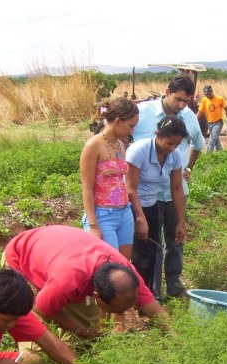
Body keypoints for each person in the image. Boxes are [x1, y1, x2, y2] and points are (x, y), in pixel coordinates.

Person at [3, 225, 168, 339]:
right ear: (96, 295)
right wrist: (81, 331)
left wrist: (179, 341)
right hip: (20, 260)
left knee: (89, 333)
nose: (120, 315)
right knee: (38, 351)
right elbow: (42, 309)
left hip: (56, 253)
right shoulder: (68, 281)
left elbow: (156, 312)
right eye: (116, 311)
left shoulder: (124, 272)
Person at [132, 75, 205, 300]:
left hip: (174, 189)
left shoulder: (189, 116)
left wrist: (188, 168)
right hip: (146, 194)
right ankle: (150, 292)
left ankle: (173, 284)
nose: (182, 105)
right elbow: (122, 136)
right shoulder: (143, 113)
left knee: (175, 238)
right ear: (167, 91)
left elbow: (199, 144)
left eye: (187, 101)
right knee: (151, 242)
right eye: (179, 99)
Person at [126, 117, 187, 294]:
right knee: (137, 254)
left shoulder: (174, 156)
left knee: (150, 255)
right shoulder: (139, 151)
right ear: (159, 134)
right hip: (129, 206)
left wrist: (180, 222)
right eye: (169, 143)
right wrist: (139, 218)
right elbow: (130, 188)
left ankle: (146, 298)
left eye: (177, 144)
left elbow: (176, 188)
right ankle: (131, 296)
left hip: (150, 206)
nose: (173, 148)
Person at [80, 97, 139, 260]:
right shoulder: (93, 145)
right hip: (103, 215)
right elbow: (86, 188)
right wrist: (93, 225)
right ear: (119, 121)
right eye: (131, 125)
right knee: (108, 268)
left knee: (124, 265)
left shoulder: (120, 144)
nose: (132, 130)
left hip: (124, 212)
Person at [196, 84, 227, 153]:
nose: (207, 96)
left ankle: (207, 156)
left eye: (208, 94)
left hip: (218, 123)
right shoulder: (204, 100)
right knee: (216, 139)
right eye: (205, 95)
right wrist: (194, 120)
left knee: (212, 140)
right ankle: (221, 153)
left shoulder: (220, 99)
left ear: (211, 92)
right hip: (209, 123)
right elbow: (200, 112)